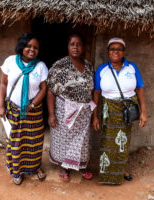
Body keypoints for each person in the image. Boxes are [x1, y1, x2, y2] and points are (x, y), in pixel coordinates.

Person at [92, 37, 147, 185]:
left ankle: (121, 170)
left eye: (119, 49)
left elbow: (140, 89)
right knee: (108, 143)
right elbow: (96, 93)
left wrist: (143, 112)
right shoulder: (102, 69)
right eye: (112, 49)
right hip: (108, 111)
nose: (116, 52)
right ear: (108, 52)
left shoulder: (132, 67)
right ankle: (106, 173)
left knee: (122, 142)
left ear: (123, 52)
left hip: (126, 111)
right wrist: (94, 116)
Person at [0, 33, 48, 185]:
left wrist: (32, 105)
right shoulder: (10, 61)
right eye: (28, 46)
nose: (32, 50)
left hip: (34, 111)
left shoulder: (40, 66)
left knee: (34, 142)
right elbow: (3, 85)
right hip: (13, 110)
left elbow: (43, 89)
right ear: (22, 46)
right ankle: (17, 171)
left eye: (35, 48)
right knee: (15, 142)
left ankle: (35, 168)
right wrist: (1, 106)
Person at [47, 34, 95, 181]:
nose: (75, 47)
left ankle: (80, 166)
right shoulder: (59, 66)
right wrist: (51, 114)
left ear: (83, 47)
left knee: (82, 141)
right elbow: (51, 91)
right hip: (64, 111)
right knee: (64, 140)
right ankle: (64, 167)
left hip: (83, 113)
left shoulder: (89, 67)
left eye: (79, 44)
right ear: (68, 47)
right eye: (72, 44)